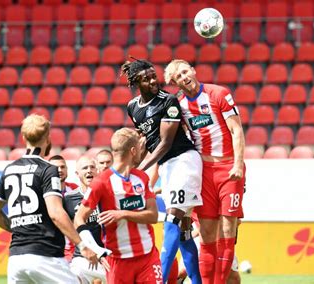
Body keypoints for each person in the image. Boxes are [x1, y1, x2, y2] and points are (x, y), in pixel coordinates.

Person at [0, 114, 100, 284]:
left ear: (23, 138)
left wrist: (20, 230)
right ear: (48, 138)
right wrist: (83, 245)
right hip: (45, 256)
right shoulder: (47, 169)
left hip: (16, 259)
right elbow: (55, 212)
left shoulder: (10, 170)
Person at [164, 59, 246, 284]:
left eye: (184, 72)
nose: (183, 78)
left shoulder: (219, 94)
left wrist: (238, 164)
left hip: (229, 169)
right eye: (177, 77)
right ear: (174, 83)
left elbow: (236, 131)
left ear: (193, 70)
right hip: (204, 172)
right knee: (207, 235)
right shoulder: (179, 105)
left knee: (229, 229)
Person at [121, 59, 202, 284]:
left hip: (184, 161)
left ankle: (161, 281)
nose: (153, 80)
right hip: (167, 167)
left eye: (153, 75)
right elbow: (148, 140)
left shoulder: (169, 101)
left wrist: (138, 170)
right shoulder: (133, 107)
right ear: (136, 82)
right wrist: (132, 162)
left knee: (172, 220)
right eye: (146, 78)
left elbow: (165, 143)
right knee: (185, 231)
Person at [74, 128, 162, 283]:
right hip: (118, 260)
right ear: (134, 151)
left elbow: (153, 216)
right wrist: (94, 248)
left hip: (148, 257)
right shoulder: (101, 183)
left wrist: (123, 214)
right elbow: (79, 219)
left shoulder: (142, 178)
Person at [64, 156, 106, 284]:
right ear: (77, 173)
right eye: (84, 168)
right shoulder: (69, 199)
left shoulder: (107, 194)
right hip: (83, 257)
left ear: (97, 170)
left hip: (108, 256)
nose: (89, 170)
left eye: (92, 167)